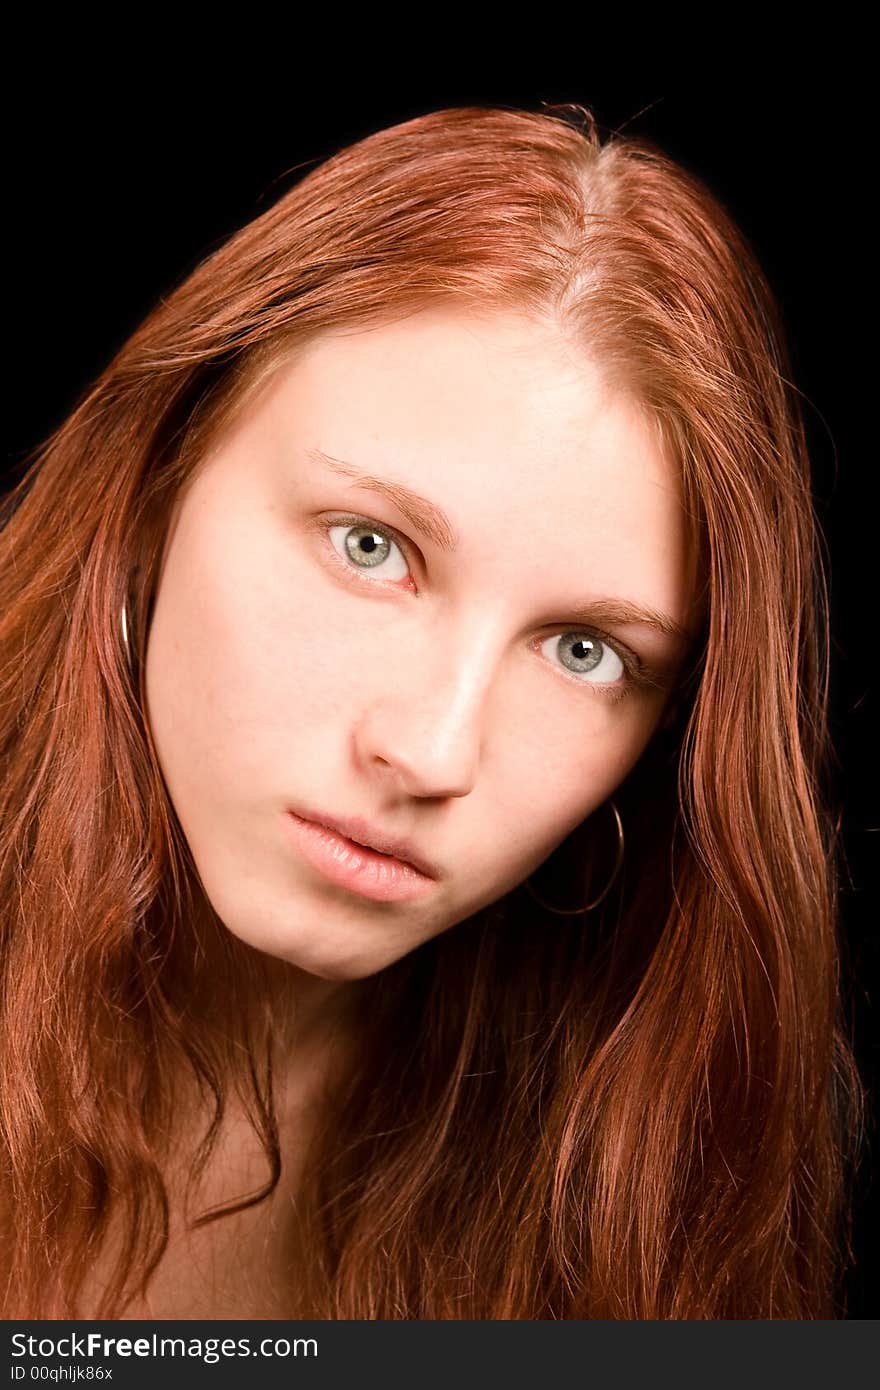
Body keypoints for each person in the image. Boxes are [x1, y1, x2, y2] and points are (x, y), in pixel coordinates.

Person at [0, 102, 863, 1320]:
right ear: (156, 484)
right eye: (371, 547)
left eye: (584, 651)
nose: (432, 750)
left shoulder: (647, 1150)